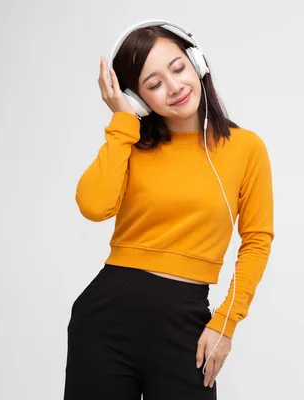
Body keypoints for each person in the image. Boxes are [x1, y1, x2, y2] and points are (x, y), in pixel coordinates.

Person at [63, 20, 274, 400]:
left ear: (197, 62)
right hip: (107, 317)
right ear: (139, 98)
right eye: (153, 84)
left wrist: (226, 322)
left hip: (186, 323)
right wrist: (122, 119)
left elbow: (257, 240)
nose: (174, 87)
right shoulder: (130, 144)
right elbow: (93, 206)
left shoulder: (246, 148)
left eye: (178, 68)